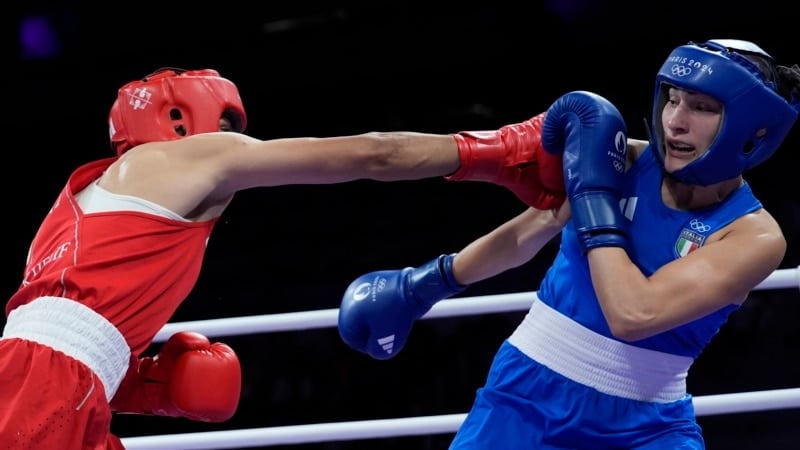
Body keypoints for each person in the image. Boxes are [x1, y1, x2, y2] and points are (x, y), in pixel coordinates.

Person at [0, 67, 566, 449]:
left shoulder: (74, 208)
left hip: (57, 385)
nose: (235, 140)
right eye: (225, 127)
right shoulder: (192, 157)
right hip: (52, 386)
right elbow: (375, 153)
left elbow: (51, 345)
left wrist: (147, 388)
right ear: (181, 123)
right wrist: (501, 149)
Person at [338, 39, 800, 448]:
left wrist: (594, 201)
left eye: (702, 108)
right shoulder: (624, 159)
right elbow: (526, 233)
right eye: (673, 99)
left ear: (751, 127)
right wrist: (427, 283)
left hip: (647, 428)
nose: (675, 122)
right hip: (524, 399)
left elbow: (634, 314)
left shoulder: (752, 236)